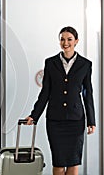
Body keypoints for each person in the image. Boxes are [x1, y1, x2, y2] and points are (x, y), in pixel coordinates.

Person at [25, 26, 96, 175]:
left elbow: (87, 94)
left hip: (76, 121)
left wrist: (91, 121)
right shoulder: (50, 63)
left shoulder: (85, 64)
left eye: (69, 39)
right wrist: (34, 115)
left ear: (76, 41)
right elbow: (45, 93)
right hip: (55, 121)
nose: (66, 43)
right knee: (58, 163)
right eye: (62, 39)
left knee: (73, 163)